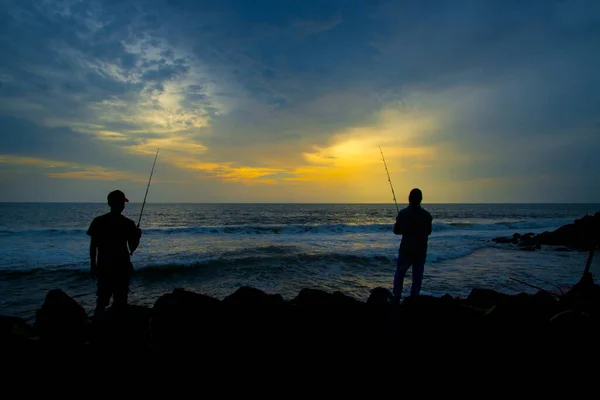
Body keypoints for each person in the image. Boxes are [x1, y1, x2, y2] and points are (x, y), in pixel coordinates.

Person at [87, 190, 142, 315]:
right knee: (120, 301)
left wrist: (93, 265)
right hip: (122, 267)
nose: (122, 205)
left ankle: (97, 324)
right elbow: (132, 248)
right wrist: (137, 236)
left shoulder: (98, 221)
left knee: (102, 300)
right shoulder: (128, 223)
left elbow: (93, 247)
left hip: (104, 266)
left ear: (109, 203)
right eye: (122, 202)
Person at [392, 188, 433, 304]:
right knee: (417, 276)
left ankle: (396, 298)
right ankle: (414, 300)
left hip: (406, 250)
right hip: (420, 250)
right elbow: (429, 231)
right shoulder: (427, 215)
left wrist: (400, 223)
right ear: (421, 199)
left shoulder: (403, 213)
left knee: (400, 274)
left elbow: (396, 231)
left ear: (409, 198)